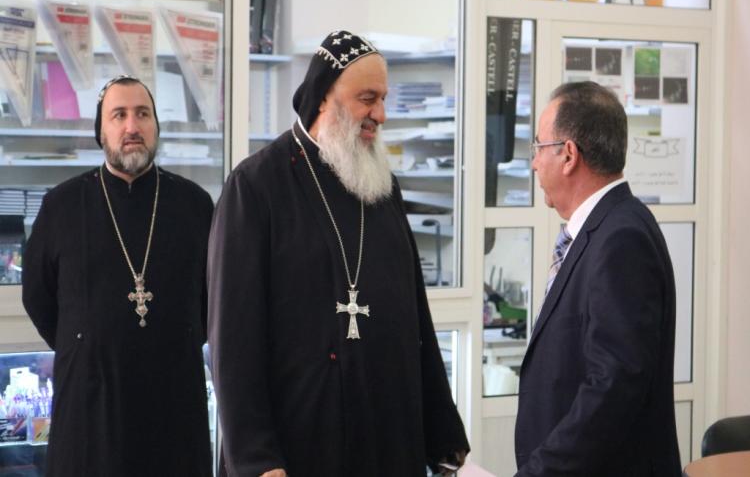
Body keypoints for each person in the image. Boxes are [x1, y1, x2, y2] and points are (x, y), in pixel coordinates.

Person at [208, 30, 469, 477]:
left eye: (383, 99)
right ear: (323, 96)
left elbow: (415, 317)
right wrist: (256, 459)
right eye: (367, 99)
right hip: (299, 439)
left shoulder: (381, 186)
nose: (380, 114)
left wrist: (443, 435)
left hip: (388, 435)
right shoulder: (256, 186)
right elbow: (232, 338)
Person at [22, 75, 214, 477]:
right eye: (119, 115)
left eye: (143, 114)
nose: (132, 127)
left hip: (174, 407)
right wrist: (87, 343)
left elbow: (213, 300)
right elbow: (38, 296)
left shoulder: (195, 205)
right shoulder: (62, 206)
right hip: (90, 409)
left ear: (156, 125)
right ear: (101, 130)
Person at [514, 81, 681, 476]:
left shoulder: (621, 238)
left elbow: (613, 387)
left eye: (538, 148)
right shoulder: (609, 226)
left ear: (568, 155)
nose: (534, 164)